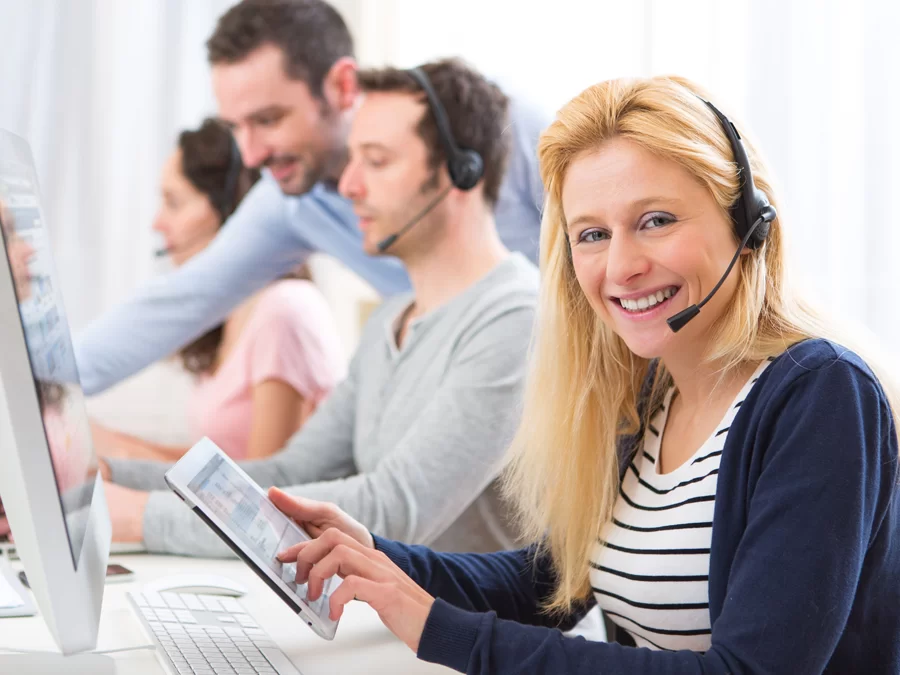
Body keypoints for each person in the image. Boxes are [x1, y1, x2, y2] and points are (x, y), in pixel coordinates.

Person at [267, 75, 900, 674]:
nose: (621, 266)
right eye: (592, 234)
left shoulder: (820, 395)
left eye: (656, 220)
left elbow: (750, 670)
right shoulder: (650, 394)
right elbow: (549, 582)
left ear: (747, 219)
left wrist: (439, 629)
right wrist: (376, 557)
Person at [98, 59, 540, 559]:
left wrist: (141, 516)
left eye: (375, 161)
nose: (348, 184)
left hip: (487, 635)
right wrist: (115, 476)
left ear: (463, 173)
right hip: (391, 627)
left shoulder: (515, 319)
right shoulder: (391, 320)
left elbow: (392, 509)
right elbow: (289, 475)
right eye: (352, 160)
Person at [73, 0, 548, 397]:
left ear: (343, 86)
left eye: (269, 119)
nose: (252, 153)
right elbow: (175, 304)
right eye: (236, 126)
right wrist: (37, 382)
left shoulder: (503, 126)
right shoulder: (290, 202)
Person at [89, 118, 346, 462]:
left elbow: (259, 490)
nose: (157, 223)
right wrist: (107, 448)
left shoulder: (284, 311)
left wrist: (115, 450)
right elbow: (222, 463)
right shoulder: (234, 315)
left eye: (174, 202)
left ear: (231, 214)